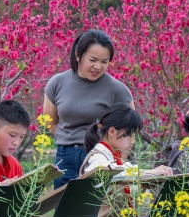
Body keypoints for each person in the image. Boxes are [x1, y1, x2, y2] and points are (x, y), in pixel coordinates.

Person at [43, 29, 134, 188]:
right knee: (64, 208)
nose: (98, 67)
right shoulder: (57, 83)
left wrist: (119, 162)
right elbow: (50, 122)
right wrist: (69, 138)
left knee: (95, 210)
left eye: (104, 62)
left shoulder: (116, 89)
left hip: (99, 156)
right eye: (92, 60)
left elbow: (130, 130)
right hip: (65, 157)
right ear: (78, 55)